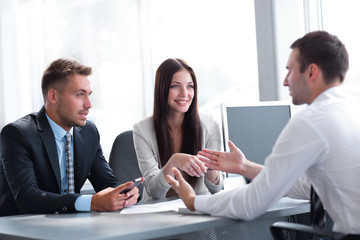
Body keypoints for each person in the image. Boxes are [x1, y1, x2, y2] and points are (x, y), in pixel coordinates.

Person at [166, 31, 360, 234]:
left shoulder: (312, 121)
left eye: (290, 71)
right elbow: (309, 188)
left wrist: (193, 201)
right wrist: (245, 167)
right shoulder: (351, 110)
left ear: (311, 73)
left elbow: (251, 204)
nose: (286, 81)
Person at [0, 58, 139, 216]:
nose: (88, 104)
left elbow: (106, 182)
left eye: (89, 95)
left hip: (72, 224)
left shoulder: (89, 132)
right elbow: (27, 198)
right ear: (53, 96)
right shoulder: (18, 134)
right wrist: (92, 202)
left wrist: (125, 193)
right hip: (22, 229)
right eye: (80, 94)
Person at [133, 58, 224, 200]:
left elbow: (217, 189)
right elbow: (154, 191)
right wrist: (173, 161)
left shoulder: (210, 124)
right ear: (162, 89)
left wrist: (212, 167)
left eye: (190, 86)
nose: (184, 93)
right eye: (175, 86)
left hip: (198, 207)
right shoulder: (142, 129)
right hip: (159, 212)